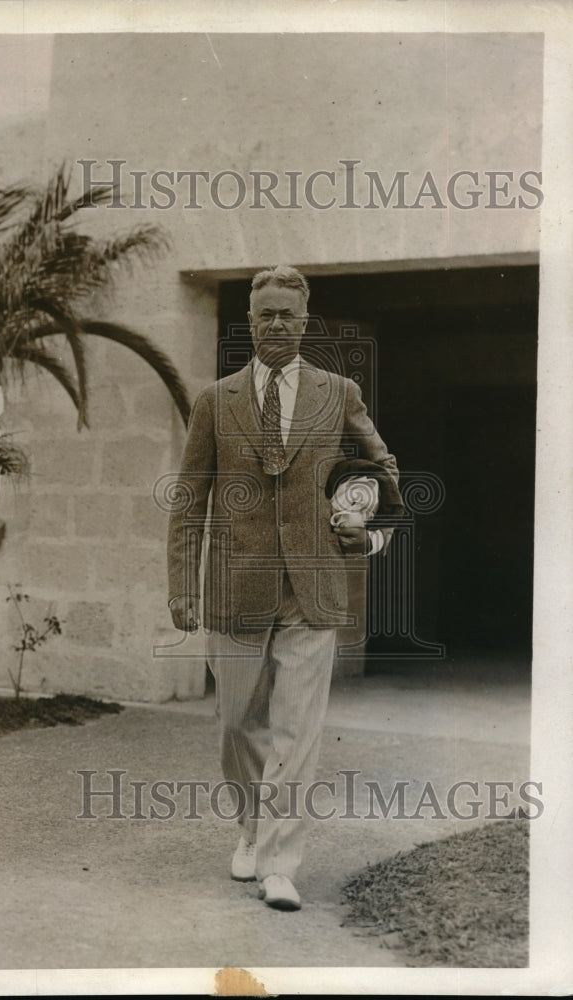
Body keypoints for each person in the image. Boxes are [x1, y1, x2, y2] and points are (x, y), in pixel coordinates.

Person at [167, 265, 399, 911]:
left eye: (287, 315)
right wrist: (181, 586)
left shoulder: (338, 392)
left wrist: (366, 523)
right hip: (234, 586)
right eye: (265, 314)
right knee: (236, 722)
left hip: (312, 586)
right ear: (250, 322)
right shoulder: (216, 401)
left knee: (297, 730)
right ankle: (251, 828)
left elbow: (382, 466)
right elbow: (188, 501)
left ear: (304, 322)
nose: (276, 325)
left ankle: (278, 864)